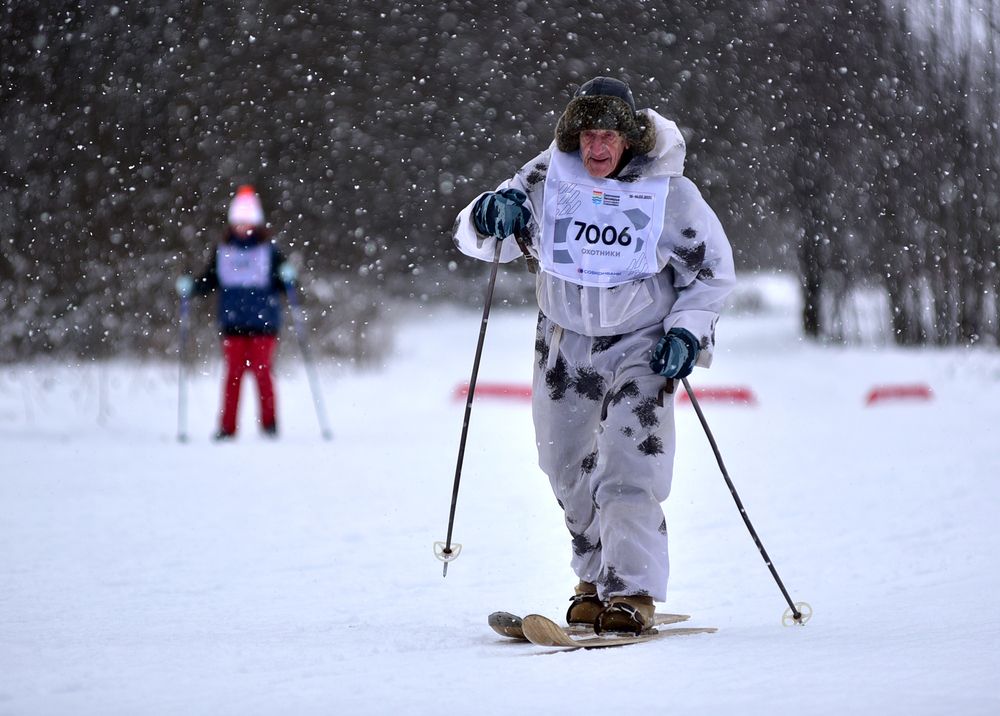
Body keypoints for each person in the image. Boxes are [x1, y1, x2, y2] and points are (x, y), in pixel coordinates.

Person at [453, 77, 736, 634]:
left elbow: (711, 272)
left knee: (631, 463)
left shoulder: (669, 193)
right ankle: (592, 577)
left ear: (628, 138)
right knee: (565, 463)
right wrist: (488, 215)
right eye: (586, 135)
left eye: (607, 135)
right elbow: (488, 237)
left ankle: (631, 591)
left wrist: (687, 332)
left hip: (640, 345)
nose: (596, 148)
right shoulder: (547, 176)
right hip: (563, 343)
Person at [176, 185, 296, 440]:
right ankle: (227, 427)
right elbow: (210, 280)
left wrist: (288, 278)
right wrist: (193, 288)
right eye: (239, 222)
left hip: (264, 323)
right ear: (232, 223)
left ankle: (270, 424)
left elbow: (284, 284)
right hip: (232, 322)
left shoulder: (270, 252)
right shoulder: (223, 251)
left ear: (257, 223)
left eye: (248, 221)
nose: (243, 227)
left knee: (263, 372)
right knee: (233, 375)